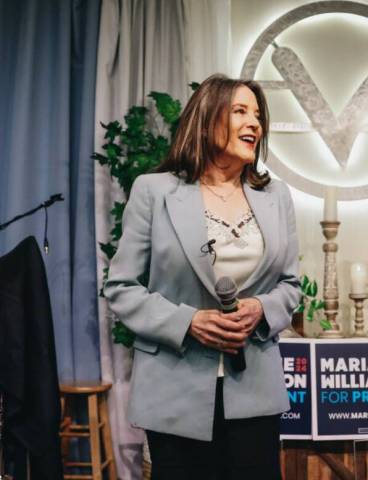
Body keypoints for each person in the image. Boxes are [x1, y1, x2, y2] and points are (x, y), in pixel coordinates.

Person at [104, 74, 300, 479]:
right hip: (174, 391)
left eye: (258, 116)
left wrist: (260, 309)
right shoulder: (153, 191)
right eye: (241, 111)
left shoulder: (276, 196)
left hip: (254, 391)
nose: (255, 124)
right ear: (207, 119)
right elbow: (121, 288)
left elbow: (290, 285)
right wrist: (188, 322)